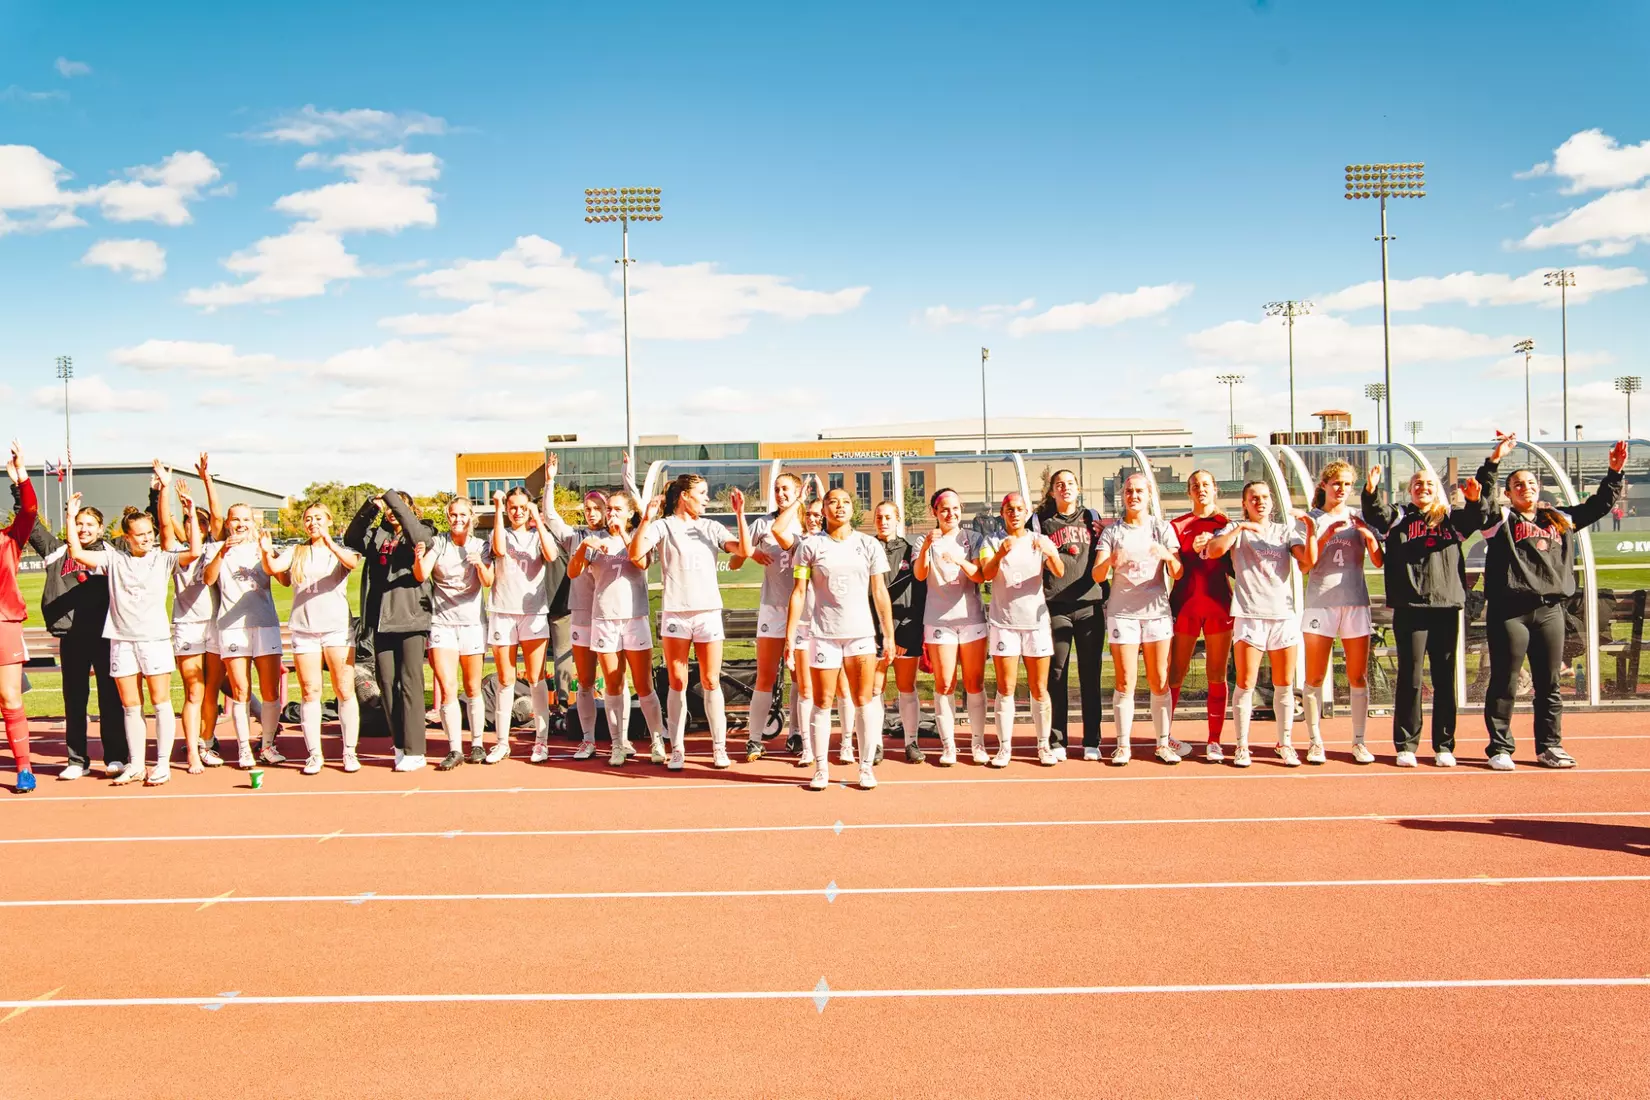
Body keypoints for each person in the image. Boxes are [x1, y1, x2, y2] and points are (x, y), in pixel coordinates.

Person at [1475, 432, 1626, 770]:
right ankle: (1500, 747)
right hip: (1509, 612)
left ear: (1538, 488)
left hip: (1549, 610)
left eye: (1530, 483)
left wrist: (1614, 473)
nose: (1525, 487)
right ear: (1509, 492)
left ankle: (1549, 747)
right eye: (1518, 485)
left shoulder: (1559, 518)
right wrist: (1494, 461)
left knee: (1550, 683)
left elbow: (1599, 506)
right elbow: (1482, 501)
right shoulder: (1499, 520)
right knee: (1505, 679)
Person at [64, 476, 203, 785]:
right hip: (122, 641)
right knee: (131, 706)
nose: (146, 539)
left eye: (149, 533)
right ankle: (136, 764)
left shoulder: (163, 558)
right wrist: (70, 519)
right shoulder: (112, 559)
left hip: (154, 641)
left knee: (160, 701)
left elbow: (193, 552)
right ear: (126, 537)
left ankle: (162, 765)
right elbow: (77, 553)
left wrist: (190, 514)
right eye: (139, 535)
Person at [628, 474, 752, 770]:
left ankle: (719, 748)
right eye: (702, 493)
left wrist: (740, 513)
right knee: (677, 682)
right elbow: (635, 555)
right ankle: (678, 748)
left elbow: (744, 551)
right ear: (684, 495)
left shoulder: (711, 527)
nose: (707, 498)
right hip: (676, 613)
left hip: (707, 613)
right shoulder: (664, 525)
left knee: (711, 680)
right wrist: (646, 519)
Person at [1363, 464, 1481, 767]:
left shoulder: (1451, 518)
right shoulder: (1400, 516)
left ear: (1437, 488)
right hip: (1410, 607)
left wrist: (1474, 500)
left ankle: (1444, 745)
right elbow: (1376, 515)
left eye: (1428, 483)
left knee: (1444, 678)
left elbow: (1475, 517)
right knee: (1410, 677)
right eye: (1417, 483)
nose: (1423, 487)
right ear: (1409, 489)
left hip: (1444, 606)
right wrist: (1371, 490)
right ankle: (1406, 744)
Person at [784, 487, 895, 790]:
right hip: (823, 636)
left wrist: (888, 635)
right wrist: (790, 636)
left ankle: (866, 767)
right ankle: (821, 769)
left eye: (845, 502)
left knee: (864, 701)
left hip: (860, 635)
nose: (840, 507)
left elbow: (879, 592)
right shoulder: (809, 547)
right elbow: (798, 592)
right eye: (833, 502)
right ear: (824, 510)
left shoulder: (868, 544)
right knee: (822, 702)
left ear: (852, 509)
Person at [1203, 481, 1317, 766]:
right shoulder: (1234, 528)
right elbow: (1214, 550)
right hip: (1249, 614)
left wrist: (1310, 528)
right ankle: (1242, 745)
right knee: (1245, 682)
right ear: (1245, 503)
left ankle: (1285, 743)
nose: (1260, 502)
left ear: (1272, 502)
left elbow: (1307, 563)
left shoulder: (1284, 531)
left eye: (1265, 497)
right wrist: (1240, 529)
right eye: (1254, 498)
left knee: (1285, 683)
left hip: (1282, 615)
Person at [542, 452, 640, 759]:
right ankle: (587, 739)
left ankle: (621, 739)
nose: (592, 512)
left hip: (612, 616)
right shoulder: (576, 537)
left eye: (598, 508)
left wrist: (628, 477)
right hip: (583, 616)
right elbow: (550, 516)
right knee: (584, 680)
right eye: (587, 508)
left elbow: (638, 510)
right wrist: (549, 481)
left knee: (616, 679)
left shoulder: (621, 536)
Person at [27, 486, 126, 778]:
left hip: (106, 635)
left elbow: (145, 531)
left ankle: (116, 757)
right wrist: (20, 483)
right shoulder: (56, 550)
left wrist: (156, 493)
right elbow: (31, 523)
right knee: (75, 698)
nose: (83, 529)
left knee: (110, 697)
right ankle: (76, 761)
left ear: (100, 528)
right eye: (78, 523)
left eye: (89, 524)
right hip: (72, 637)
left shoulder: (113, 551)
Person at [568, 488, 668, 766]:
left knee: (643, 684)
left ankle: (657, 739)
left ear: (628, 513)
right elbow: (573, 572)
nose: (611, 514)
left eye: (617, 510)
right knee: (613, 684)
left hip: (634, 618)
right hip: (604, 620)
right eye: (608, 509)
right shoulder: (595, 539)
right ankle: (616, 744)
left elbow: (641, 562)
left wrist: (624, 534)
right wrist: (583, 547)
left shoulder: (640, 536)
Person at [262, 504, 362, 774]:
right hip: (305, 630)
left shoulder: (338, 550)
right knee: (310, 691)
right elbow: (273, 567)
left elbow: (352, 563)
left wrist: (329, 541)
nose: (312, 523)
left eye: (318, 518)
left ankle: (349, 752)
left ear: (329, 520)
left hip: (337, 630)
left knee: (344, 689)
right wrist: (264, 548)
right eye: (308, 519)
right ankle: (314, 754)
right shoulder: (296, 551)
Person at [1092, 473, 1183, 765]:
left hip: (1156, 613)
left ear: (1149, 494)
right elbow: (1097, 575)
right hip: (1123, 613)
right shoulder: (1112, 532)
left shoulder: (1161, 528)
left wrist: (1167, 556)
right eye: (1129, 490)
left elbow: (1178, 572)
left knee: (1159, 680)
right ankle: (1122, 745)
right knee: (1125, 680)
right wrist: (1110, 561)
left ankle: (1163, 743)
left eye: (1139, 490)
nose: (1134, 495)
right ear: (1123, 495)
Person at [345, 491, 437, 772]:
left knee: (411, 683)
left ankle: (416, 749)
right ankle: (399, 744)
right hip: (381, 619)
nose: (391, 513)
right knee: (386, 684)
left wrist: (392, 498)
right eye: (388, 509)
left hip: (410, 617)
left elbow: (419, 536)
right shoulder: (377, 536)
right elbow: (351, 538)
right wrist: (370, 507)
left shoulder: (424, 529)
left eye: (397, 508)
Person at [1302, 461, 1384, 765]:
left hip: (1355, 602)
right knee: (1315, 675)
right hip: (1320, 602)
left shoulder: (1359, 518)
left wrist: (1370, 537)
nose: (1342, 489)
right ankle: (1315, 741)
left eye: (1348, 484)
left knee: (1357, 675)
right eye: (1336, 483)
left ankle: (1359, 741)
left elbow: (1377, 561)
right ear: (1324, 484)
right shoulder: (1311, 519)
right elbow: (1305, 565)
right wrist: (1324, 534)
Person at [408, 497, 494, 769]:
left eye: (463, 515)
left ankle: (477, 744)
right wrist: (419, 557)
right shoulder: (439, 542)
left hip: (472, 624)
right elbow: (421, 575)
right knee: (447, 689)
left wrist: (479, 564)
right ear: (448, 517)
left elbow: (489, 581)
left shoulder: (481, 545)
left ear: (472, 517)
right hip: (442, 623)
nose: (458, 520)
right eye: (453, 515)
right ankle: (455, 748)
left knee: (472, 688)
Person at [981, 491, 1064, 766]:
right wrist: (999, 554)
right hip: (1004, 624)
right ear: (1002, 513)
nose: (1014, 513)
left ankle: (1043, 746)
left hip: (1035, 624)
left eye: (1018, 509)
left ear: (1026, 512)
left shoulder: (1039, 540)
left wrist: (1051, 553)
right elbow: (986, 574)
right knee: (1005, 687)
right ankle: (1004, 747)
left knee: (1039, 688)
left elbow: (1059, 571)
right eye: (1008, 509)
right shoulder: (991, 541)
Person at [203, 502, 285, 770]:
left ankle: (268, 746)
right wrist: (223, 551)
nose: (241, 524)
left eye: (246, 519)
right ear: (227, 523)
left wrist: (266, 554)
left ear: (253, 522)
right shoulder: (217, 548)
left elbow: (283, 579)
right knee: (241, 691)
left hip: (264, 624)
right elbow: (208, 578)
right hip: (231, 627)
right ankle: (243, 748)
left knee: (270, 689)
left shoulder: (263, 547)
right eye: (235, 519)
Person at [482, 486, 558, 764]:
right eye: (513, 507)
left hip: (533, 613)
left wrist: (537, 520)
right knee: (505, 679)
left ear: (529, 508)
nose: (517, 511)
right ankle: (502, 743)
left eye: (522, 507)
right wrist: (499, 507)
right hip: (503, 611)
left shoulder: (539, 534)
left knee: (537, 678)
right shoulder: (498, 531)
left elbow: (550, 556)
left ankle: (541, 741)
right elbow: (499, 549)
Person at [1033, 469, 1105, 762]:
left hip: (1089, 604)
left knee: (1091, 674)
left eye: (1070, 483)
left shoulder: (1092, 517)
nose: (1065, 488)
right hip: (1056, 605)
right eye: (1059, 484)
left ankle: (1092, 740)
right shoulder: (1040, 522)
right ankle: (1058, 739)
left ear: (1079, 488)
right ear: (1051, 491)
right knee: (1057, 674)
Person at [734, 472, 807, 762]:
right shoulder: (763, 523)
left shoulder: (811, 522)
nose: (780, 494)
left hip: (804, 611)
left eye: (786, 489)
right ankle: (754, 739)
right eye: (776, 489)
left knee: (800, 677)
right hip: (773, 608)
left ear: (799, 491)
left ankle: (796, 734)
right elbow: (737, 559)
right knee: (765, 674)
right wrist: (751, 553)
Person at [912, 489, 986, 765]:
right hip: (939, 620)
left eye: (955, 508)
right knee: (944, 683)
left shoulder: (974, 538)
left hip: (971, 619)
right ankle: (949, 745)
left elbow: (979, 575)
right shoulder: (925, 539)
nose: (950, 514)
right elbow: (920, 574)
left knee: (974, 683)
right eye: (944, 509)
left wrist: (960, 560)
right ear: (935, 512)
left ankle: (977, 743)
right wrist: (924, 548)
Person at [161, 455, 226, 771]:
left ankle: (207, 741)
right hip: (186, 625)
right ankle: (190, 750)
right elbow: (164, 525)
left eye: (198, 524)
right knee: (194, 690)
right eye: (189, 523)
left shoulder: (213, 545)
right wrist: (165, 489)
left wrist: (206, 479)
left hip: (215, 624)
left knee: (212, 689)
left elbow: (216, 515)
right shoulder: (173, 551)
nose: (194, 527)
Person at [1167, 469, 1233, 762]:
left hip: (1219, 605)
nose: (1201, 489)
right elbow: (1173, 566)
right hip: (1185, 605)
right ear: (1188, 492)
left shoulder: (1228, 524)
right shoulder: (1178, 525)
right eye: (1195, 485)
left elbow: (1236, 568)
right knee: (1175, 673)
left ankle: (1214, 740)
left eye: (1206, 484)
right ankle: (1164, 734)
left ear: (1215, 489)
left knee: (1216, 674)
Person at [869, 498, 928, 763]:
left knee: (907, 687)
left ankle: (911, 742)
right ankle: (874, 743)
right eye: (879, 517)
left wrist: (903, 634)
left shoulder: (910, 551)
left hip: (905, 633)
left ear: (897, 520)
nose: (883, 522)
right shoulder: (866, 548)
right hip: (873, 634)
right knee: (874, 690)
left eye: (888, 517)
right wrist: (878, 634)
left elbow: (919, 596)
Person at [2, 442, 37, 792]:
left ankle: (24, 767)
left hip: (3, 626)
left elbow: (28, 509)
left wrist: (21, 476)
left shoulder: (9, 541)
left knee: (10, 698)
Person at [789, 494, 826, 767]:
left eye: (818, 514)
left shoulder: (837, 543)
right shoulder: (800, 545)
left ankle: (846, 744)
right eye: (809, 515)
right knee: (805, 690)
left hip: (830, 626)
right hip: (804, 625)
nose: (813, 519)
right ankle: (807, 746)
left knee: (837, 691)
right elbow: (799, 590)